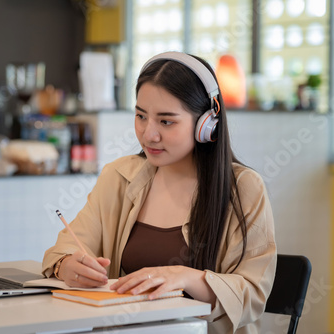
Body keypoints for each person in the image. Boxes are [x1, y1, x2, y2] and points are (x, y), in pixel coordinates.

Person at [42, 51, 276, 333]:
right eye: (141, 116)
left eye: (166, 121)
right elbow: (66, 246)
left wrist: (186, 277)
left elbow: (252, 294)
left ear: (206, 125)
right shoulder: (119, 176)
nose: (148, 134)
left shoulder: (243, 189)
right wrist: (67, 265)